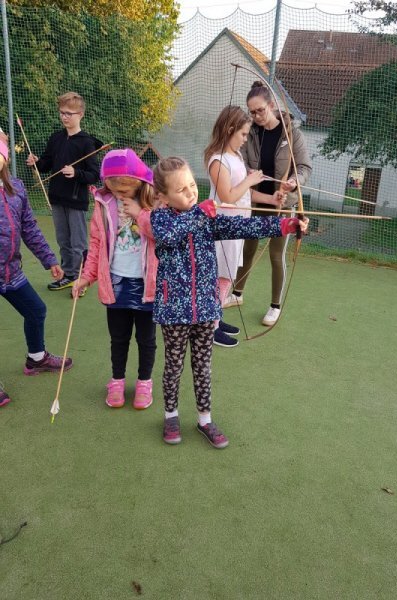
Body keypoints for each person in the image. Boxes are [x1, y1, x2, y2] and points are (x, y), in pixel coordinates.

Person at [146, 157, 308, 448]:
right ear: (163, 196)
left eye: (192, 185)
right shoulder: (160, 218)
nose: (191, 192)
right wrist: (200, 214)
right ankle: (171, 415)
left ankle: (205, 419)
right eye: (181, 190)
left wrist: (286, 224)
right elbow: (168, 236)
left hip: (206, 309)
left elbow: (244, 226)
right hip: (174, 311)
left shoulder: (206, 219)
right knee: (173, 367)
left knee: (203, 367)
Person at [72, 149, 157, 410]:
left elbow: (161, 234)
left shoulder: (155, 202)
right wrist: (87, 276)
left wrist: (140, 214)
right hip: (116, 284)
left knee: (146, 339)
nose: (119, 193)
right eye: (114, 187)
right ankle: (117, 380)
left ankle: (144, 382)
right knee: (118, 338)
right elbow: (97, 242)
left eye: (125, 188)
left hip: (148, 285)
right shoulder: (104, 202)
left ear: (139, 182)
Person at [226, 81, 312, 326]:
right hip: (255, 200)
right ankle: (237, 293)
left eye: (260, 110)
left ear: (272, 105)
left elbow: (304, 167)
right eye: (252, 112)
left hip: (282, 204)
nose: (256, 116)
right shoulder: (249, 132)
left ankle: (275, 306)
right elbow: (240, 160)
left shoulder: (292, 133)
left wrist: (293, 182)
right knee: (248, 249)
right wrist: (247, 173)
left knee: (276, 255)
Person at [0, 131, 72, 407]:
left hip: (10, 271)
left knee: (36, 310)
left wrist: (50, 260)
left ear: (5, 156)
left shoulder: (16, 188)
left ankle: (36, 358)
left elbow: (29, 228)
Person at [205, 106, 286, 347]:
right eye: (242, 134)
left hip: (237, 227)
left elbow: (244, 194)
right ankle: (210, 328)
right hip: (223, 227)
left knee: (228, 275)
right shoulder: (218, 160)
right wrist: (250, 179)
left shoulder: (236, 156)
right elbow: (228, 196)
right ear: (229, 129)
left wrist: (271, 199)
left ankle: (216, 318)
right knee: (222, 276)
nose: (244, 139)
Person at [26, 92, 101, 292]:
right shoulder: (56, 138)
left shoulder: (87, 142)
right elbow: (46, 164)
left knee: (78, 243)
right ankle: (69, 275)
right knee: (63, 240)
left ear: (80, 114)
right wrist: (36, 162)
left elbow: (94, 174)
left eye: (69, 113)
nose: (64, 117)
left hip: (76, 200)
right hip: (57, 198)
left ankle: (82, 280)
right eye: (62, 112)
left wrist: (76, 172)